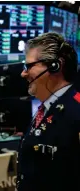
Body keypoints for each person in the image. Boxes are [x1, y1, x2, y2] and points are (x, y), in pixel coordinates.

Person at [17, 32, 80, 191]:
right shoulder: (45, 109)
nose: (23, 73)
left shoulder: (76, 110)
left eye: (29, 66)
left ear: (55, 66)